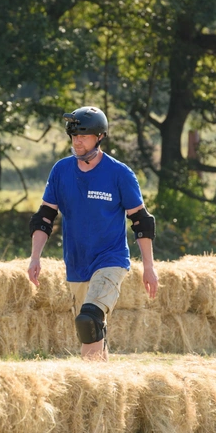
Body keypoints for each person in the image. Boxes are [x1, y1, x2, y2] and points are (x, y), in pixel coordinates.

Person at [27, 105, 158, 361]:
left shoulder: (119, 174)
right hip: (77, 263)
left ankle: (87, 390)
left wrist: (149, 266)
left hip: (111, 260)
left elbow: (141, 222)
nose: (77, 142)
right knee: (92, 333)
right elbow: (44, 217)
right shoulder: (61, 171)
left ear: (99, 137)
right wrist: (35, 257)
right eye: (74, 136)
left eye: (83, 137)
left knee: (89, 320)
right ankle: (102, 390)